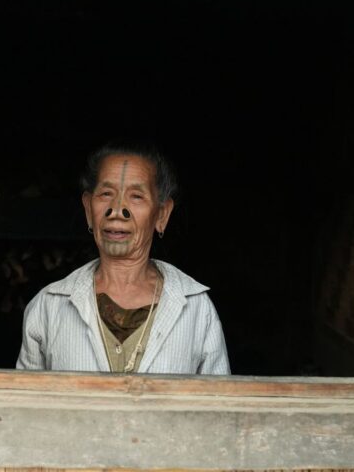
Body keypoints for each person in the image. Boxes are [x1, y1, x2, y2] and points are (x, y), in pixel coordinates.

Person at [16, 143, 230, 374]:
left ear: (162, 214)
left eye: (136, 196)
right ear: (89, 209)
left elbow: (219, 405)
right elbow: (24, 406)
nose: (117, 210)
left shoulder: (197, 308)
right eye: (106, 194)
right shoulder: (49, 306)